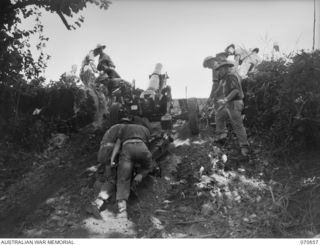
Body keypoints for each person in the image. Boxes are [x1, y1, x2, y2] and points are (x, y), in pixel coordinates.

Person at [110, 118, 155, 219]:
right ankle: (139, 176)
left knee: (123, 177)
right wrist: (142, 171)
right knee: (149, 165)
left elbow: (117, 145)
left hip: (127, 148)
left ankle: (122, 210)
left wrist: (112, 159)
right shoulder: (145, 129)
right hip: (142, 148)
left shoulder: (124, 128)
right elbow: (148, 146)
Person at [214, 60, 250, 157]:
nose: (219, 71)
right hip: (230, 104)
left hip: (234, 103)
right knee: (219, 115)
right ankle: (222, 136)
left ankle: (245, 147)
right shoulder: (225, 79)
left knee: (238, 125)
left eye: (221, 69)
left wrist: (225, 100)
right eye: (219, 70)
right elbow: (224, 91)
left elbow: (235, 90)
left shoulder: (231, 76)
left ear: (226, 68)